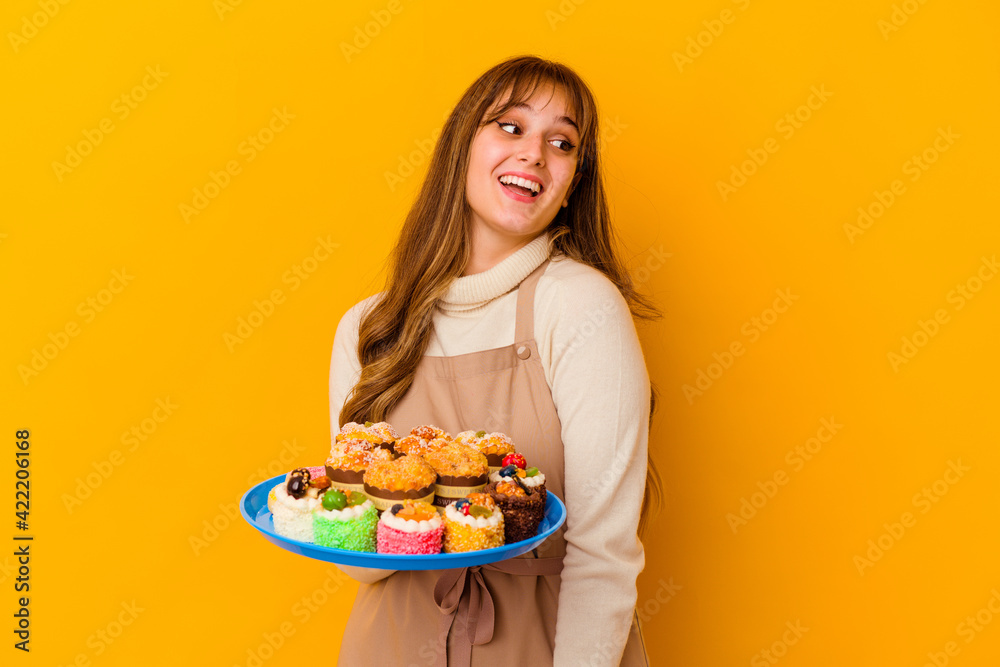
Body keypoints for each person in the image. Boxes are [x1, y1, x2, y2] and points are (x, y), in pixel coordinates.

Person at [328, 54, 661, 666]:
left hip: (545, 642)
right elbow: (365, 570)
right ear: (462, 148)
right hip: (393, 645)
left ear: (569, 188)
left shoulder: (581, 307)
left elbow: (602, 553)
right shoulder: (369, 329)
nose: (534, 153)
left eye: (561, 143)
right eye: (510, 127)